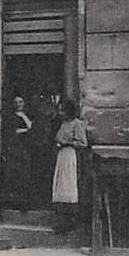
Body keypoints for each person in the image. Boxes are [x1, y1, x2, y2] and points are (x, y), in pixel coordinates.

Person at [52, 99, 87, 232]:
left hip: (71, 156)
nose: (60, 112)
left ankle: (70, 221)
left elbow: (83, 143)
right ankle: (62, 221)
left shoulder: (77, 124)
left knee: (69, 186)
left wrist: (69, 142)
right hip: (62, 156)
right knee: (60, 186)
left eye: (62, 110)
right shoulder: (64, 123)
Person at [1, 96, 33, 210]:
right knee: (15, 174)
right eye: (16, 102)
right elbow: (12, 132)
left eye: (21, 101)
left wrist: (26, 126)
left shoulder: (26, 116)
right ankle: (14, 202)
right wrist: (26, 131)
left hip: (25, 148)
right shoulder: (11, 117)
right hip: (15, 149)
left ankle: (24, 202)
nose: (19, 104)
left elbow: (32, 127)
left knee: (25, 174)